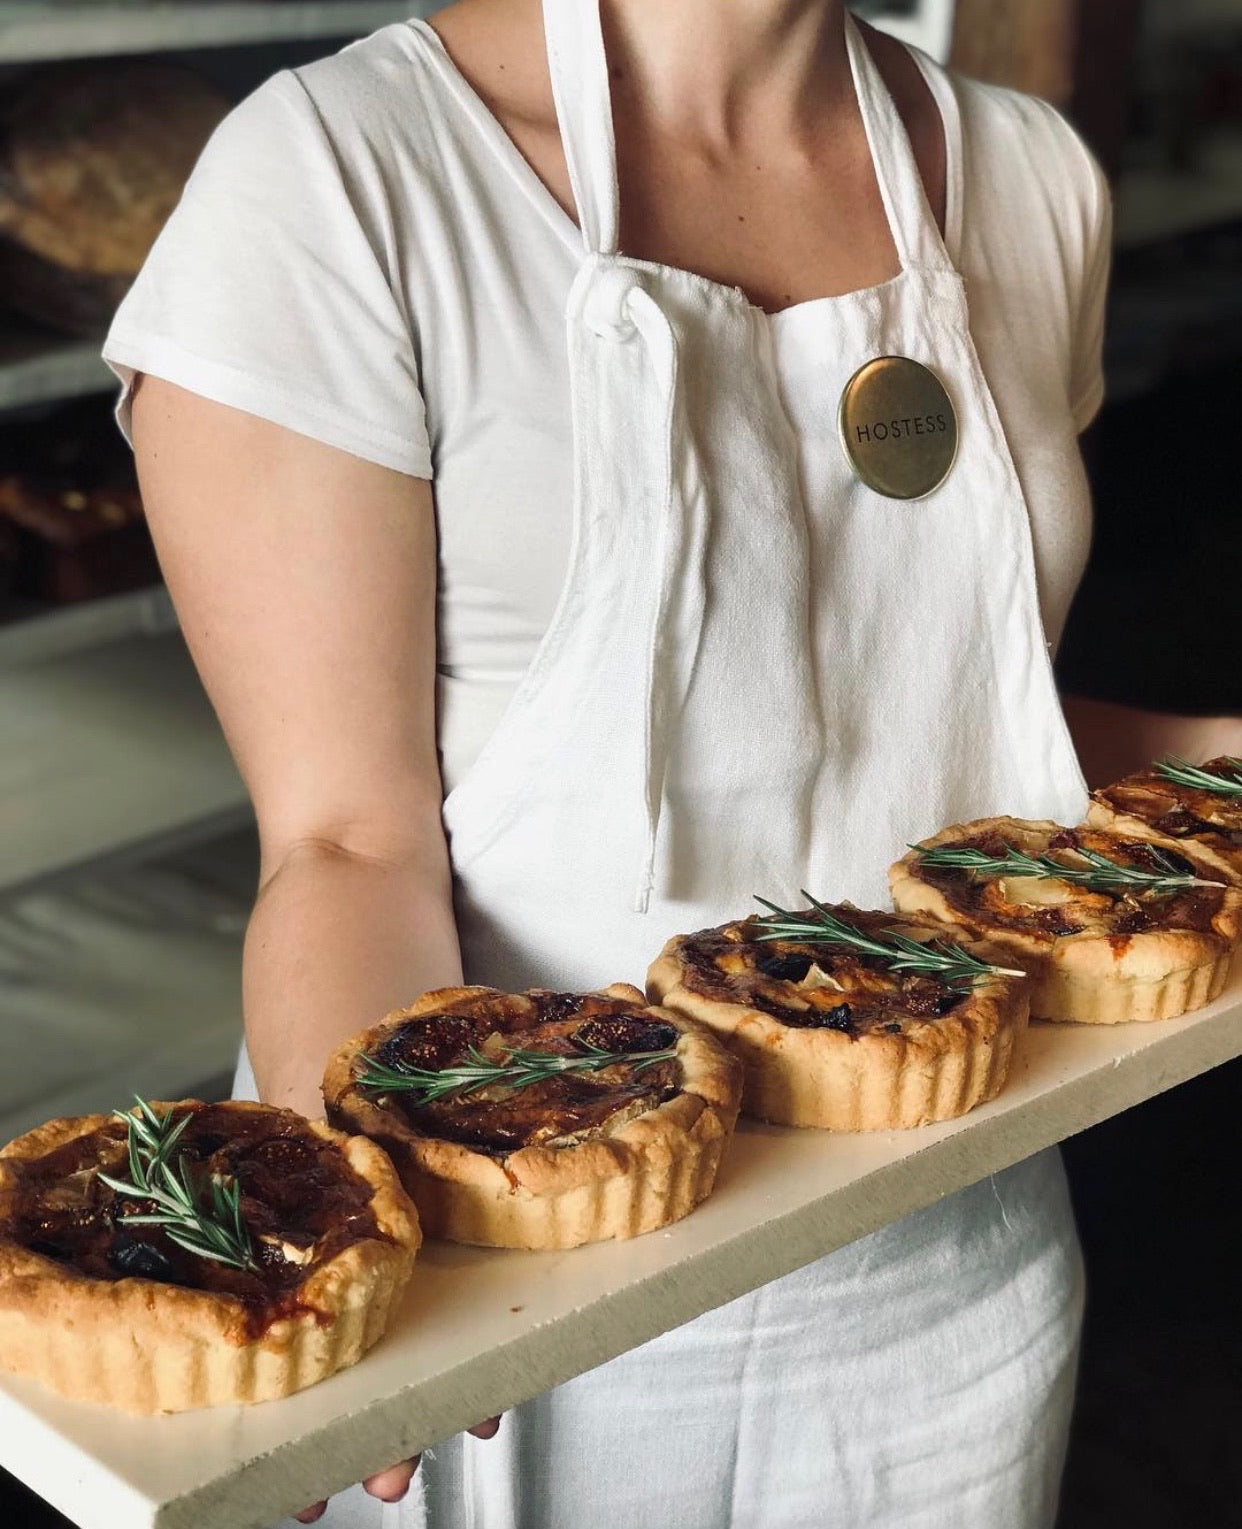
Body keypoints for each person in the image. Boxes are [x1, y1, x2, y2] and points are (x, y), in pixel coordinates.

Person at [100, 1, 1239, 1524]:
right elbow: (347, 841)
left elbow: (958, 735)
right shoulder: (344, 176)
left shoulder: (1029, 174)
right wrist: (371, 1261)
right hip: (528, 1288)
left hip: (953, 1249)